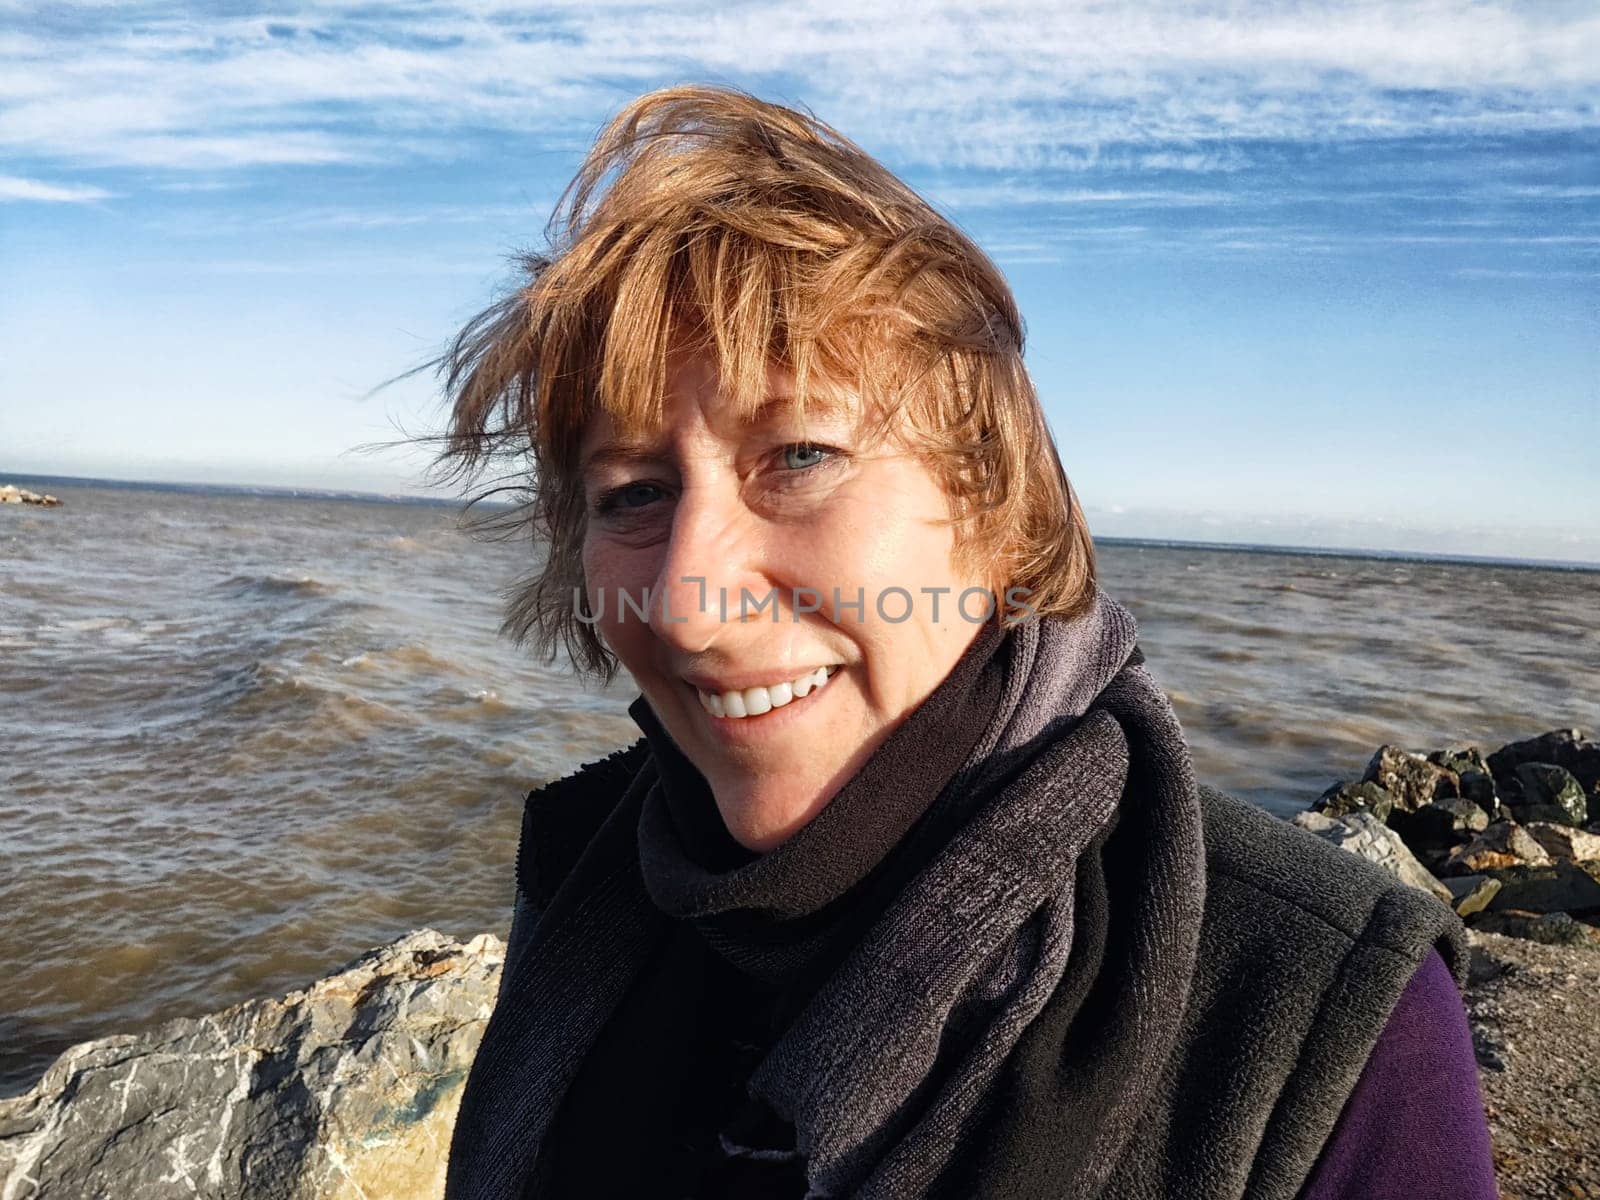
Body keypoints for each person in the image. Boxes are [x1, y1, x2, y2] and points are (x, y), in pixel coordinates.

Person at [436, 84, 1497, 1200]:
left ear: (993, 499)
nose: (690, 602)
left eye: (799, 456)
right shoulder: (586, 886)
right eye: (634, 492)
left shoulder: (1321, 1016)